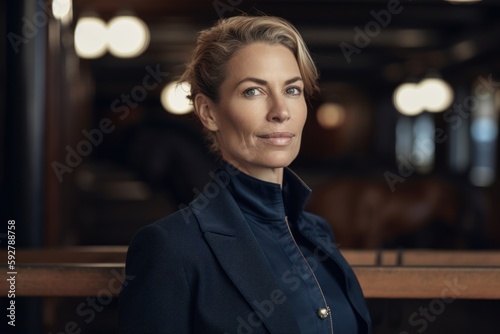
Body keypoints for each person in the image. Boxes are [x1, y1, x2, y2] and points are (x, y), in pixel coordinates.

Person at [118, 15, 372, 334]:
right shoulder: (170, 246)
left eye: (292, 89)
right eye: (253, 91)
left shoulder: (319, 233)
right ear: (208, 112)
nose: (281, 111)